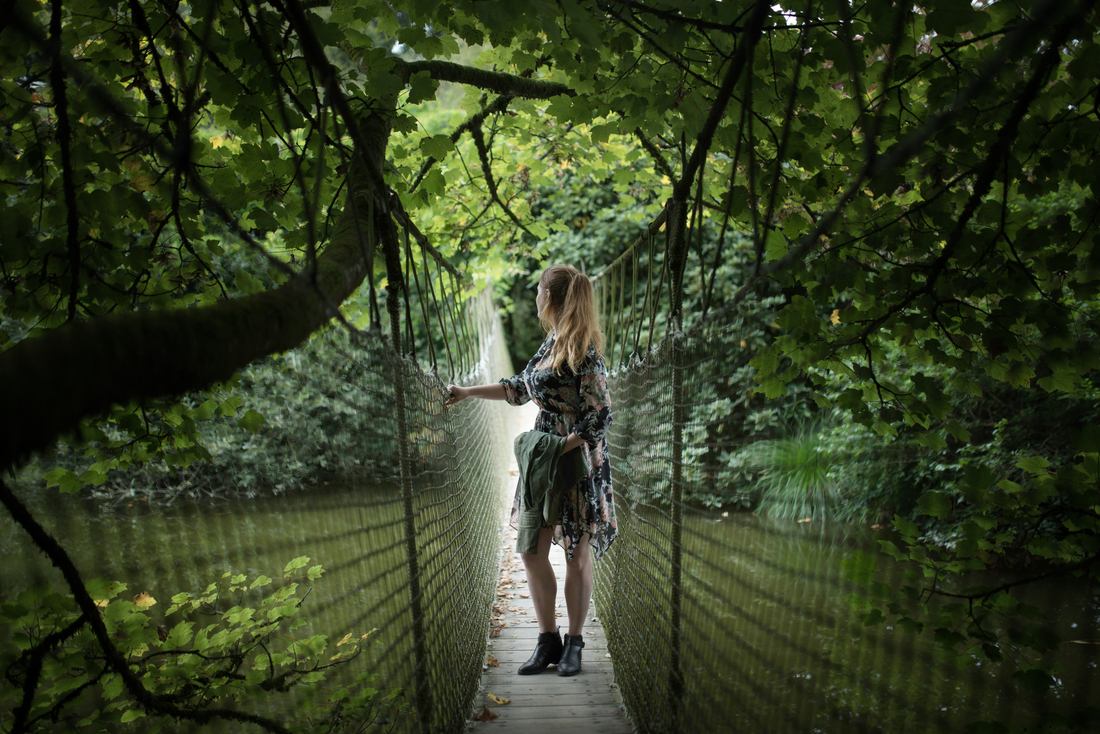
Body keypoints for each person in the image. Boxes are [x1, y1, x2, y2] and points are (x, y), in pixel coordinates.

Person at [443, 264, 617, 676]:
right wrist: (467, 392)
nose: (536, 297)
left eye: (539, 290)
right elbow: (518, 389)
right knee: (530, 549)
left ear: (549, 298)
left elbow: (600, 415)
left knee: (576, 552)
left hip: (574, 463)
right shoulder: (549, 345)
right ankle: (547, 641)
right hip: (542, 461)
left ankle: (574, 643)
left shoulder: (584, 351)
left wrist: (562, 447)